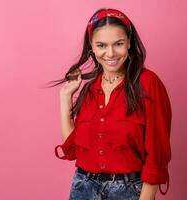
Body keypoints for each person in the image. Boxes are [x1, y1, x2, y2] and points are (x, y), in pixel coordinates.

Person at [48, 8, 172, 200]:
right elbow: (73, 150)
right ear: (92, 47)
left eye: (118, 44)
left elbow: (157, 156)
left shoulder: (148, 84)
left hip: (129, 191)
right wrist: (65, 98)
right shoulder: (89, 89)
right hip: (83, 188)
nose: (110, 53)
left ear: (129, 42)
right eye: (101, 45)